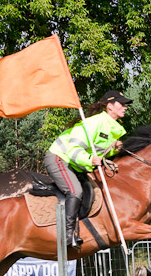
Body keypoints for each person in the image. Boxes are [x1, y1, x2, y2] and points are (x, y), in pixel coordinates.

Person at [45, 90, 132, 249]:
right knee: (75, 191)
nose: (125, 107)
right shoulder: (94, 123)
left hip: (75, 164)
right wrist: (89, 160)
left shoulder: (113, 128)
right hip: (60, 157)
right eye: (122, 104)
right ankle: (68, 235)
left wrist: (113, 150)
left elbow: (98, 151)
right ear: (110, 106)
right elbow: (73, 149)